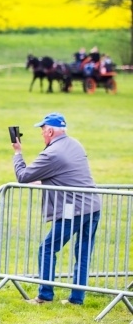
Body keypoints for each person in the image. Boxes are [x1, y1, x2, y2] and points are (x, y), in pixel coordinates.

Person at [11, 112, 102, 306]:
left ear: (50, 130)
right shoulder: (75, 144)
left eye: (43, 130)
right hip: (93, 206)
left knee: (47, 248)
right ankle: (77, 299)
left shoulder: (51, 153)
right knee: (83, 252)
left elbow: (23, 176)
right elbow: (67, 174)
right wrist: (44, 181)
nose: (42, 134)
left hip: (73, 209)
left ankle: (45, 296)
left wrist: (18, 153)